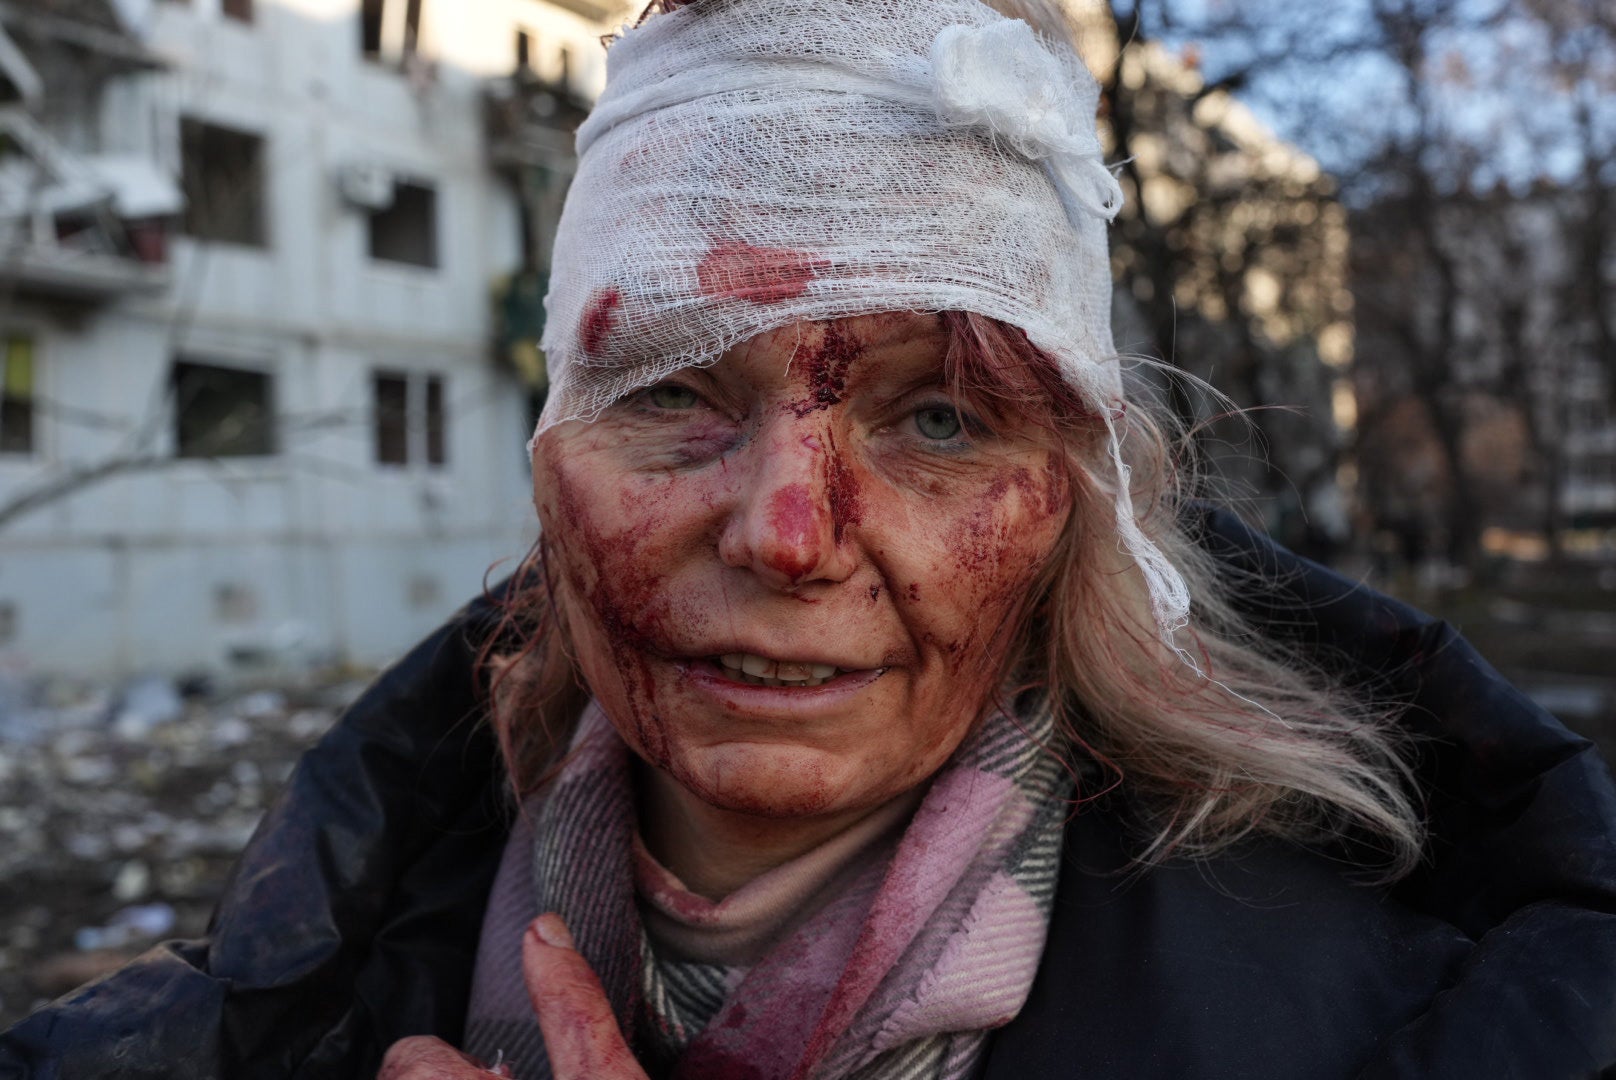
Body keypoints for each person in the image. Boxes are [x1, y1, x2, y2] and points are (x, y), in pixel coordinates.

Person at [6, 1, 1616, 1077]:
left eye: (940, 419)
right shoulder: (298, 1011)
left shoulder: (1387, 1026)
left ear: (1072, 506)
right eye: (674, 393)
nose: (789, 536)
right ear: (551, 456)